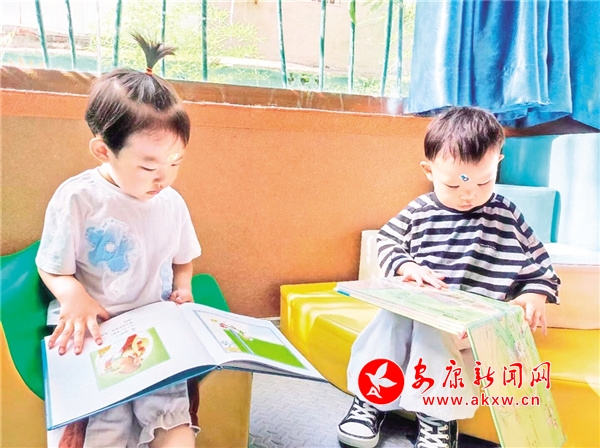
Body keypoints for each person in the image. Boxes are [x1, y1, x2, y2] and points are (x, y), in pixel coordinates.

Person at [336, 107, 560, 448]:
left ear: (498, 164)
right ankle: (370, 400)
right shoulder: (420, 211)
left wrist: (535, 294)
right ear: (429, 171)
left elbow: (539, 263)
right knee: (389, 322)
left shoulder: (506, 216)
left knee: (433, 333)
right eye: (454, 184)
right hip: (416, 308)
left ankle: (437, 417)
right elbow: (388, 240)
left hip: (468, 325)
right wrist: (407, 267)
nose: (469, 193)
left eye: (483, 181)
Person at [36, 33, 201, 448]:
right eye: (148, 166)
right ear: (103, 150)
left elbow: (183, 258)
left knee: (172, 418)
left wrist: (183, 287)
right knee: (105, 425)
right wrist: (73, 296)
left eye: (175, 162)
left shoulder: (171, 202)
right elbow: (51, 265)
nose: (164, 178)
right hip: (98, 330)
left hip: (155, 327)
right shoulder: (78, 198)